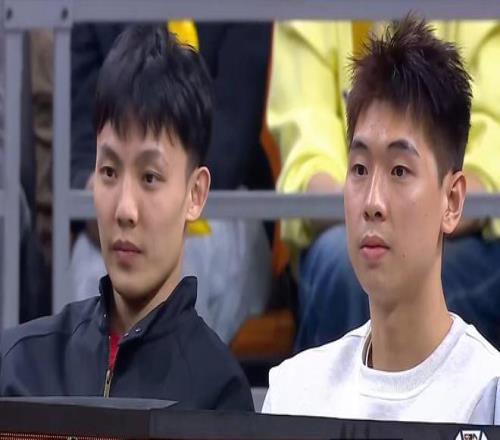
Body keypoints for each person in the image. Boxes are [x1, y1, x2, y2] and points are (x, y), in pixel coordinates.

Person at [0, 25, 254, 411]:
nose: (124, 210)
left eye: (150, 177)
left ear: (196, 194)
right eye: (109, 172)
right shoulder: (21, 368)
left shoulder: (219, 397)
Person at [263, 16, 500, 424]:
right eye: (358, 169)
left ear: (452, 199)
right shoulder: (293, 393)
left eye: (399, 171)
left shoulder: (488, 396)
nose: (372, 202)